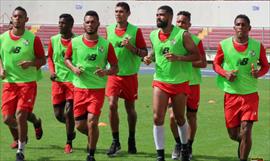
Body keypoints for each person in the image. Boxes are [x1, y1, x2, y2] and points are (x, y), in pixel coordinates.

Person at [144, 5, 200, 161]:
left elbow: (196, 56)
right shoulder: (153, 34)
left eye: (161, 15)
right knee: (157, 118)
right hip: (160, 80)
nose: (158, 17)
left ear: (169, 16)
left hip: (180, 82)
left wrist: (179, 58)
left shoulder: (183, 35)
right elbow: (156, 52)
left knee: (180, 118)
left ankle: (184, 147)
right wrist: (149, 58)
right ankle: (160, 155)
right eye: (157, 15)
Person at [213, 14, 269, 161]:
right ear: (234, 27)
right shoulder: (224, 45)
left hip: (250, 95)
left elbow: (265, 66)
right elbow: (215, 65)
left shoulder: (257, 46)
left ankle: (243, 155)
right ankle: (244, 142)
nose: (241, 27)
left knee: (246, 130)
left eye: (244, 25)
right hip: (231, 95)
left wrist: (258, 73)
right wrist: (225, 73)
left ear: (249, 28)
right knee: (233, 134)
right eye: (238, 24)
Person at [64, 10, 118, 161]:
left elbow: (115, 67)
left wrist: (106, 72)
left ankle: (91, 154)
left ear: (98, 24)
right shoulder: (74, 42)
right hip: (79, 89)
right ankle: (92, 136)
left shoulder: (106, 45)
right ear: (83, 24)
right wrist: (73, 68)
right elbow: (66, 59)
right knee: (80, 125)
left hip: (97, 90)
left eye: (93, 22)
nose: (90, 24)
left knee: (92, 121)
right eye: (87, 22)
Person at [0, 6, 46, 161]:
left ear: (26, 20)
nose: (17, 19)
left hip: (27, 83)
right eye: (15, 16)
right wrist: (1, 69)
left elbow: (42, 60)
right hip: (9, 83)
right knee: (7, 119)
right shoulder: (3, 38)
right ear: (11, 18)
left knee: (20, 115)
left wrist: (31, 63)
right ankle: (32, 125)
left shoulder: (33, 39)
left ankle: (21, 150)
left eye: (20, 17)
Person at [105, 2, 148, 156]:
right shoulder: (108, 30)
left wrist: (132, 48)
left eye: (122, 11)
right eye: (116, 11)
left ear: (128, 13)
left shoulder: (135, 31)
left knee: (130, 108)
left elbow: (144, 53)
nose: (118, 14)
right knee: (111, 105)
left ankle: (131, 138)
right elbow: (105, 50)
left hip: (129, 75)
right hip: (114, 75)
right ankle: (115, 141)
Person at [168, 11, 207, 160]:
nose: (180, 24)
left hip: (192, 84)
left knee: (191, 117)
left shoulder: (196, 41)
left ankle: (188, 146)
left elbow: (203, 63)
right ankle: (178, 143)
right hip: (175, 83)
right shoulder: (171, 40)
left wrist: (181, 59)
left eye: (184, 22)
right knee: (173, 117)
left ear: (189, 25)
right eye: (178, 22)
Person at [47, 14, 76, 154]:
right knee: (59, 115)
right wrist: (52, 72)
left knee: (69, 111)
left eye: (63, 23)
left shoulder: (77, 41)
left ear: (71, 25)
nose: (60, 25)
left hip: (73, 82)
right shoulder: (53, 40)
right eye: (59, 22)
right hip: (58, 82)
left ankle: (69, 142)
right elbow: (50, 59)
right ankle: (71, 127)